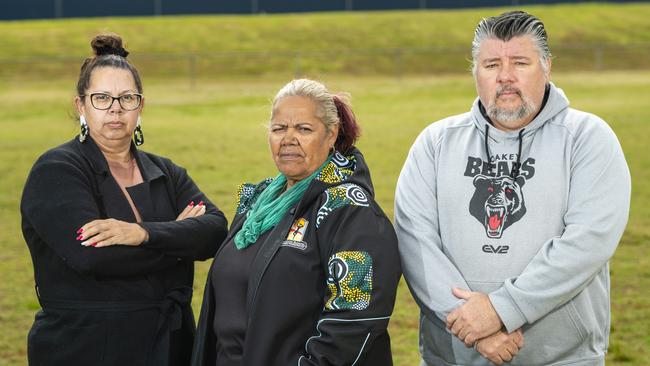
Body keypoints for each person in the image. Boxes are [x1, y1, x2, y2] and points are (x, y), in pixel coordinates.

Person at [395, 10, 630, 366]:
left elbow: (588, 241)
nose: (505, 77)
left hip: (561, 358)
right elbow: (415, 241)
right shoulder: (436, 143)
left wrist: (502, 309)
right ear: (475, 71)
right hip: (454, 357)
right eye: (491, 65)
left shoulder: (587, 138)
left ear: (547, 66)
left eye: (520, 62)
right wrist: (473, 325)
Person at [20, 33, 228, 366]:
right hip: (87, 347)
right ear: (81, 105)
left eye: (127, 98)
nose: (115, 109)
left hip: (170, 345)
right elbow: (93, 258)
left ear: (140, 105)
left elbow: (216, 230)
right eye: (102, 97)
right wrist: (178, 241)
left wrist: (141, 233)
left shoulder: (166, 171)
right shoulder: (56, 169)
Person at [191, 79, 401, 366]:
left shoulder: (351, 210)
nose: (288, 138)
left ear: (331, 135)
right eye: (279, 128)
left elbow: (356, 319)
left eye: (304, 129)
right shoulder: (256, 201)